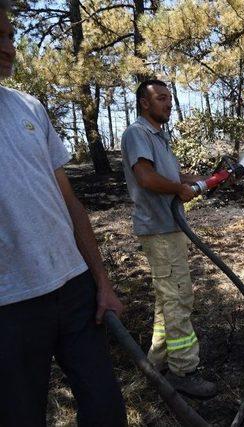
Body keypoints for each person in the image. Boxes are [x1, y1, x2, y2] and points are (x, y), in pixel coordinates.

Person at [0, 2, 127, 426]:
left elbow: (70, 203)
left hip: (74, 289)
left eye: (10, 37)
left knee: (106, 409)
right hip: (10, 305)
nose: (9, 48)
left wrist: (102, 280)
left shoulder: (29, 107)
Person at [121, 79, 216, 398]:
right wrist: (179, 189)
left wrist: (204, 180)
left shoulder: (159, 138)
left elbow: (175, 177)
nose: (168, 103)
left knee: (168, 298)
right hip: (159, 230)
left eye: (169, 98)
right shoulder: (138, 133)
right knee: (178, 299)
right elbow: (146, 178)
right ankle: (184, 371)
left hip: (168, 228)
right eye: (161, 98)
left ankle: (156, 362)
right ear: (144, 103)